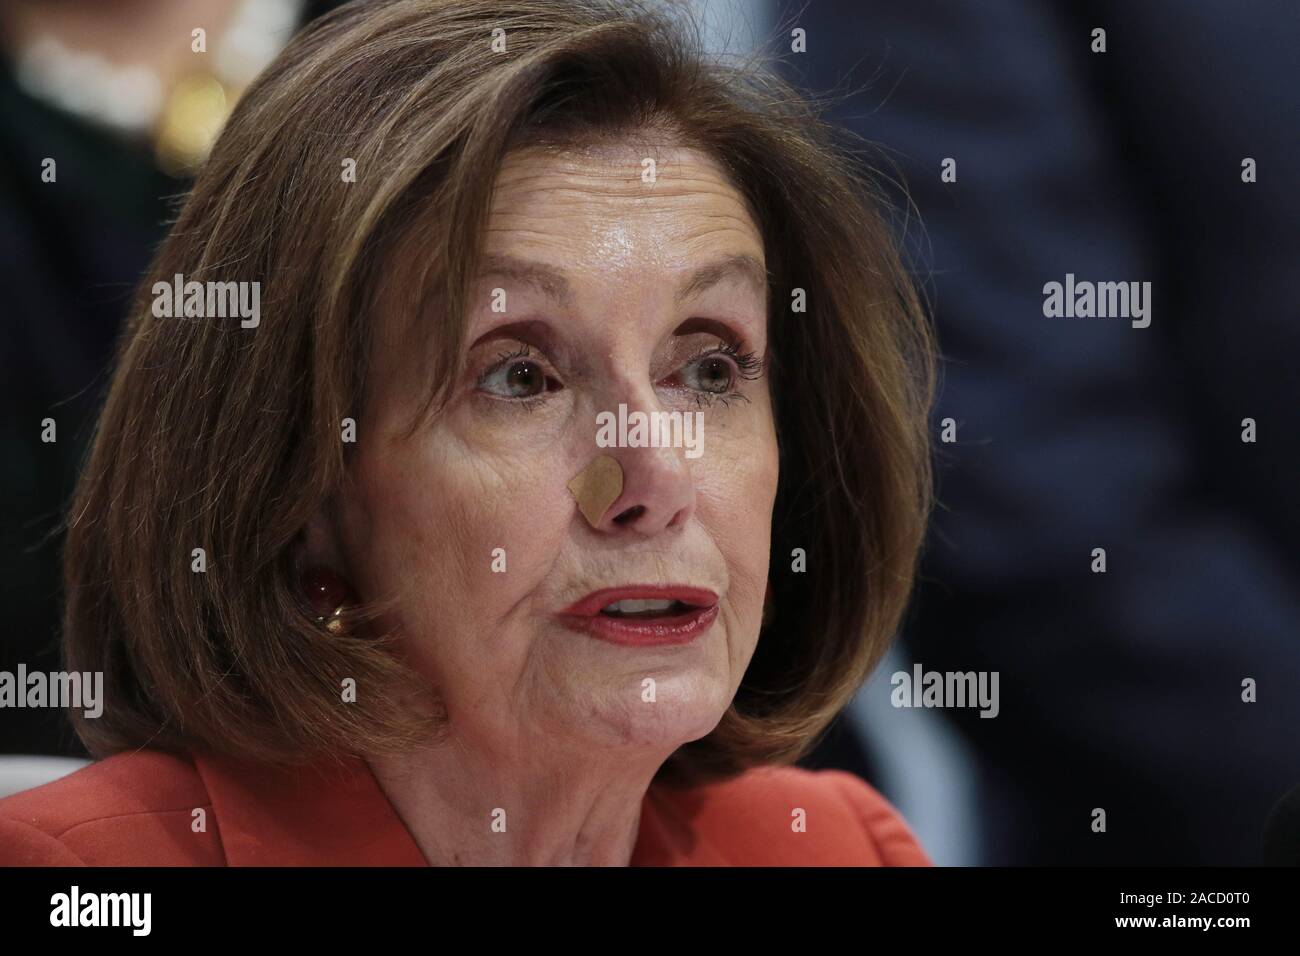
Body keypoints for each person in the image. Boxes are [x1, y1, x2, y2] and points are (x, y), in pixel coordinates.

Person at [0, 0, 935, 866]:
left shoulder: (836, 846)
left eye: (709, 369)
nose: (655, 476)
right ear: (302, 491)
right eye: (520, 378)